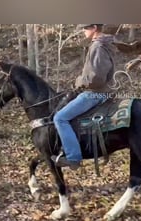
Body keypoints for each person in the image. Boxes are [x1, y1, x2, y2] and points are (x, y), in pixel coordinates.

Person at [51, 24, 116, 170]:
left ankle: (73, 157)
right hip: (99, 91)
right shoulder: (103, 44)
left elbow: (96, 78)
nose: (83, 31)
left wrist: (80, 81)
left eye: (85, 28)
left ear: (94, 27)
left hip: (95, 93)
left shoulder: (98, 47)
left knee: (60, 118)